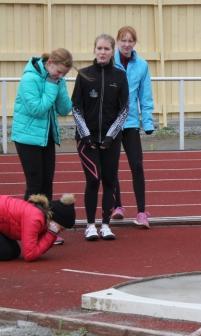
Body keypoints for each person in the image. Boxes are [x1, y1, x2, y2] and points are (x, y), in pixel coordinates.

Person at [11, 48, 74, 246]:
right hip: (27, 138)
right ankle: (27, 227)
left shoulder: (55, 80)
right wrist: (51, 85)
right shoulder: (30, 78)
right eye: (59, 71)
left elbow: (64, 109)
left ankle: (42, 226)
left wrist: (59, 85)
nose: (60, 75)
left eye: (64, 74)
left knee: (47, 183)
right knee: (35, 184)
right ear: (50, 63)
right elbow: (37, 109)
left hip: (46, 137)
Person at [72, 34, 129, 241]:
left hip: (110, 140)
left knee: (109, 180)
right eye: (99, 48)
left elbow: (124, 110)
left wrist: (110, 136)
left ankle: (105, 224)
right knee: (93, 179)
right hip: (87, 140)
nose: (102, 52)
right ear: (94, 50)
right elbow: (76, 107)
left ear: (112, 51)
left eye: (106, 49)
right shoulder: (84, 74)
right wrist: (86, 134)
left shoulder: (120, 76)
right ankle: (89, 225)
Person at [111, 26, 155, 228]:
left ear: (134, 43)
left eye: (130, 41)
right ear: (117, 41)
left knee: (137, 165)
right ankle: (117, 206)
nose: (127, 44)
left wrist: (147, 122)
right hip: (110, 124)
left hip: (130, 123)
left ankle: (141, 212)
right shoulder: (109, 62)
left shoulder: (142, 65)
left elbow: (145, 96)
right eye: (123, 40)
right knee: (111, 167)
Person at [0, 193, 76, 261]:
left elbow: (37, 246)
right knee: (6, 252)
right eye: (61, 228)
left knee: (14, 252)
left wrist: (51, 234)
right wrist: (51, 233)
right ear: (55, 221)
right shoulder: (35, 219)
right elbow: (29, 255)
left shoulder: (42, 216)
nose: (60, 231)